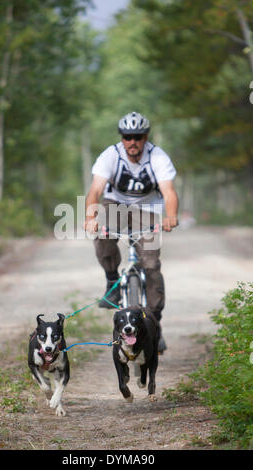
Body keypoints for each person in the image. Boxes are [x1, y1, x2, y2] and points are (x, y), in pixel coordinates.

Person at [84, 112, 179, 353]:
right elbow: (95, 190)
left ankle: (154, 326)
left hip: (146, 208)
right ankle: (112, 280)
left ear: (145, 137)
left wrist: (170, 215)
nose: (132, 142)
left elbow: (168, 191)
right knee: (102, 234)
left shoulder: (157, 157)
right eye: (128, 137)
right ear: (122, 138)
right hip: (114, 204)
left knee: (151, 265)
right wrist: (90, 217)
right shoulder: (110, 156)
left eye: (137, 136)